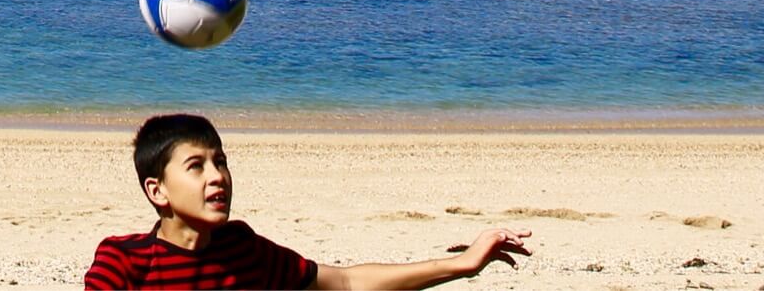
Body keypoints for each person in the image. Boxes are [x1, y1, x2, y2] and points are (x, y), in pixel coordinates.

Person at [85, 114, 532, 289]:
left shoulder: (243, 249)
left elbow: (345, 283)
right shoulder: (124, 262)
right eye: (196, 166)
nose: (218, 177)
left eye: (221, 162)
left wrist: (465, 264)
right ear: (156, 190)